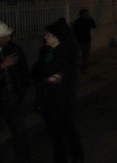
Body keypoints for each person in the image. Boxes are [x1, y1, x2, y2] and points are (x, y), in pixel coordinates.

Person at [32, 19, 84, 163]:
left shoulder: (67, 52)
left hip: (61, 99)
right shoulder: (46, 50)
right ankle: (61, 157)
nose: (45, 37)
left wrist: (47, 73)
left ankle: (75, 155)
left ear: (57, 37)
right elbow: (37, 70)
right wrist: (45, 75)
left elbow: (62, 73)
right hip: (46, 98)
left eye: (49, 34)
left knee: (66, 129)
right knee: (53, 132)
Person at [0, 21, 31, 163]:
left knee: (19, 131)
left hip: (13, 98)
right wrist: (2, 66)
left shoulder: (13, 48)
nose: (8, 38)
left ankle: (23, 158)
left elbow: (23, 71)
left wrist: (21, 91)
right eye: (4, 36)